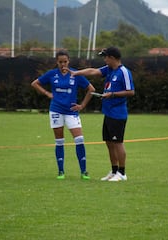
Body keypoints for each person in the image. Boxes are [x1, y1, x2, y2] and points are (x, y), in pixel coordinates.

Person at [67, 47, 135, 181]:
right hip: (108, 113)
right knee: (109, 142)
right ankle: (114, 170)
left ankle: (122, 173)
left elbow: (131, 91)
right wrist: (77, 73)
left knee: (118, 143)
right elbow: (93, 71)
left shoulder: (124, 72)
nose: (104, 59)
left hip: (118, 113)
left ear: (112, 58)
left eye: (106, 57)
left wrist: (113, 94)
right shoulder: (109, 69)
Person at [31, 50, 95, 180]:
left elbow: (91, 89)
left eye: (65, 62)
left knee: (79, 139)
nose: (63, 64)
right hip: (56, 110)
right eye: (60, 62)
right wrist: (47, 94)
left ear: (68, 61)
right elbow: (35, 83)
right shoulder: (52, 74)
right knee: (59, 141)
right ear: (57, 62)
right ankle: (61, 171)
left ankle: (84, 172)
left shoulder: (75, 74)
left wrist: (82, 105)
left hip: (71, 111)